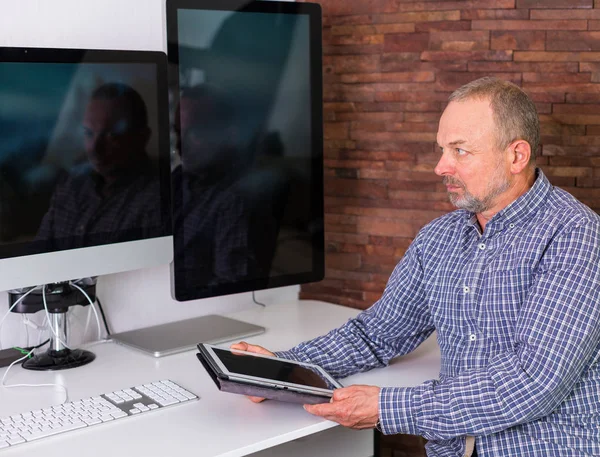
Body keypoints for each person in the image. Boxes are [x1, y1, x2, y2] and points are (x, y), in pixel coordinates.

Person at [231, 77, 600, 457]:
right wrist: (281, 370)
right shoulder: (439, 237)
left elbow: (531, 385)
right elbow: (376, 334)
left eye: (460, 151)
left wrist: (385, 407)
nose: (441, 167)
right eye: (441, 149)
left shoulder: (576, 236)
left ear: (516, 156)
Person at [35, 82, 164, 250]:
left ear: (142, 137)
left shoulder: (157, 200)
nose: (95, 148)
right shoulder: (71, 185)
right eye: (89, 133)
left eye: (111, 135)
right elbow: (39, 250)